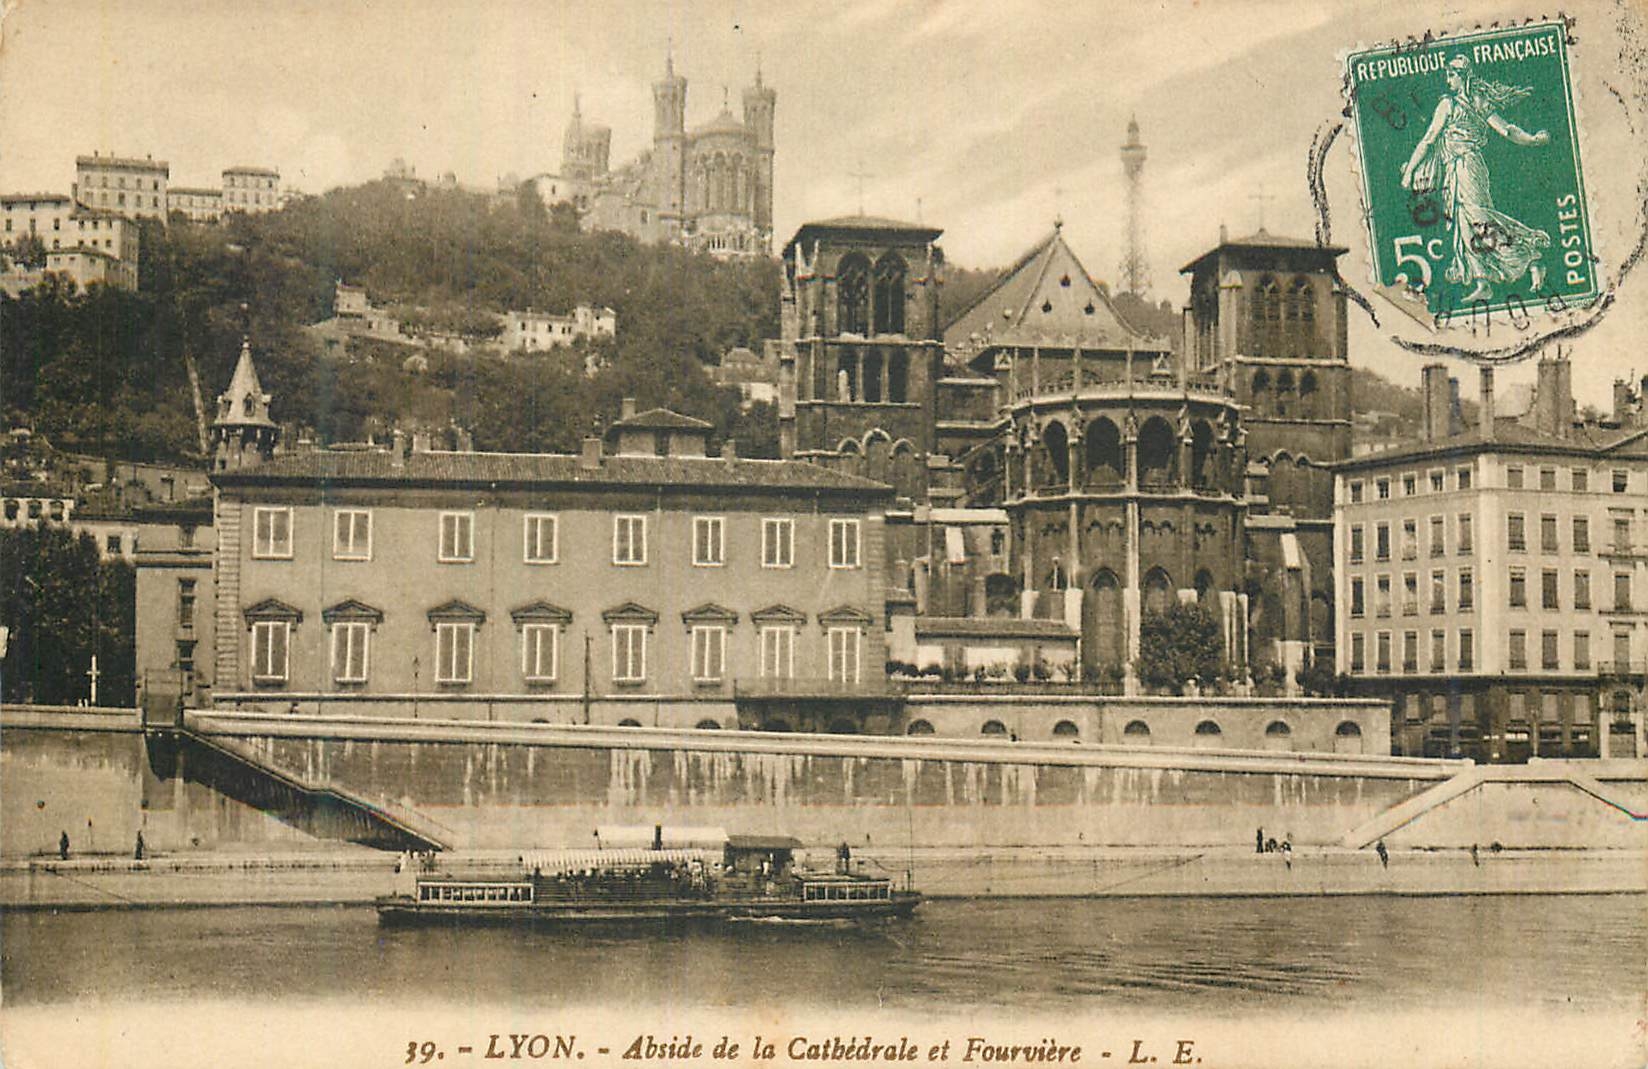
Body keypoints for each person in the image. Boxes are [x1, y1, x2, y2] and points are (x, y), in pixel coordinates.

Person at [1401, 54, 1552, 303]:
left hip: (1468, 167)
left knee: (1480, 219)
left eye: (1451, 75)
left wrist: (1532, 140)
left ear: (1463, 77)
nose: (1447, 79)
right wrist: (1532, 139)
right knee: (1464, 223)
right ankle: (1482, 281)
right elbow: (1506, 130)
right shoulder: (1471, 102)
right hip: (1456, 169)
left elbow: (1505, 129)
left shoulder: (1451, 105)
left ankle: (1531, 259)